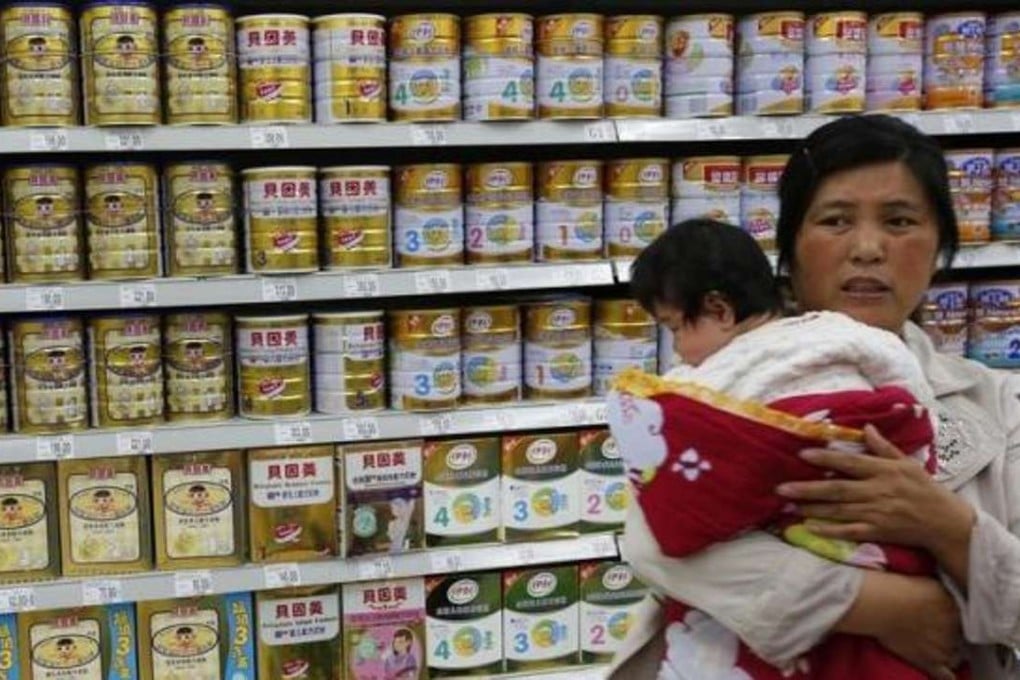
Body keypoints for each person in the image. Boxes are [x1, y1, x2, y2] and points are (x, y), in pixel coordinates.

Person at [608, 113, 1020, 679]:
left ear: (940, 247)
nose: (869, 248)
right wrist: (878, 606)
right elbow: (652, 541)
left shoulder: (1000, 405)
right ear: (790, 249)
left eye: (900, 221)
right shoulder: (719, 386)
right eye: (835, 221)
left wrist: (943, 524)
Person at [609, 218, 947, 679]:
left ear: (719, 310)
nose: (679, 352)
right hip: (878, 549)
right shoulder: (842, 335)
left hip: (778, 562)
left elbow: (662, 484)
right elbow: (911, 398)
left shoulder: (706, 381)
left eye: (674, 328)